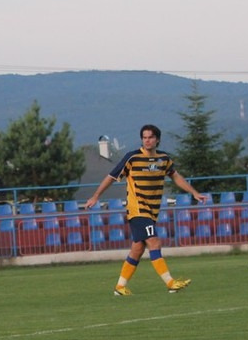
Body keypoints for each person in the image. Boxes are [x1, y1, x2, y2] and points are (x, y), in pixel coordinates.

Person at [84, 124, 210, 295]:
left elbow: (175, 176)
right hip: (137, 209)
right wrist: (95, 196)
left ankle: (120, 287)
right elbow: (111, 177)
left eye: (150, 137)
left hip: (152, 211)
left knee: (137, 248)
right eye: (144, 137)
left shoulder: (163, 159)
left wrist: (194, 193)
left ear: (157, 139)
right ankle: (170, 282)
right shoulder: (132, 157)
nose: (147, 140)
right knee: (154, 241)